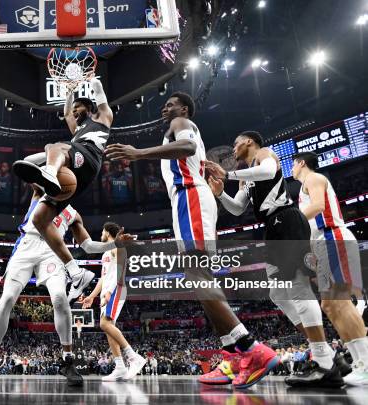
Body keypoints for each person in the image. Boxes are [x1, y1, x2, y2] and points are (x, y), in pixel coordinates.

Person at [105, 92, 278, 389]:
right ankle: (233, 357)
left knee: (196, 274)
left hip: (191, 197)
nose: (165, 107)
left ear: (183, 109)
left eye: (170, 103)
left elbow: (186, 147)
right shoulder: (176, 127)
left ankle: (252, 348)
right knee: (198, 278)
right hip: (187, 200)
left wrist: (139, 153)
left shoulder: (182, 122)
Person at [206, 132, 345, 388]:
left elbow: (269, 172)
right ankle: (328, 354)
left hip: (287, 219)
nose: (233, 148)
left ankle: (325, 365)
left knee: (297, 288)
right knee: (278, 294)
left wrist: (230, 175)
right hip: (272, 226)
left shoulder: (263, 154)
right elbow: (237, 208)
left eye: (236, 143)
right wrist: (220, 193)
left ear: (249, 142)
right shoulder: (247, 174)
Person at [0, 185, 132, 387]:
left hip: (53, 251)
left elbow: (88, 246)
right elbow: (27, 165)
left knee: (60, 298)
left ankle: (67, 360)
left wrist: (115, 244)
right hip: (27, 245)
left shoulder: (73, 214)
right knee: (7, 298)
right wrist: (54, 157)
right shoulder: (41, 192)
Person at [12, 77, 113, 301]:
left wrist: (92, 78)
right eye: (74, 110)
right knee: (39, 220)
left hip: (88, 157)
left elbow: (100, 95)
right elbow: (66, 114)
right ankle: (77, 273)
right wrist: (69, 91)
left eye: (79, 109)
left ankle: (49, 172)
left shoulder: (103, 118)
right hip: (77, 177)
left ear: (89, 108)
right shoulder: (76, 128)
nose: (74, 113)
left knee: (54, 146)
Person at [292, 151, 368, 385]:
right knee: (330, 305)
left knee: (339, 301)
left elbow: (318, 206)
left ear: (301, 163)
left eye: (293, 164)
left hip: (333, 237)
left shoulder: (313, 178)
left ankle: (366, 364)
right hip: (322, 245)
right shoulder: (305, 185)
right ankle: (359, 363)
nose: (292, 169)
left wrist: (292, 224)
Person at [80, 222, 146, 381]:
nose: (100, 234)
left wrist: (110, 291)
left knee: (104, 324)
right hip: (107, 291)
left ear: (107, 232)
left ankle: (133, 357)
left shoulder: (117, 247)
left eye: (102, 231)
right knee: (108, 327)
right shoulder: (105, 252)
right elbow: (103, 277)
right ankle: (120, 367)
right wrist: (92, 296)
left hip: (116, 288)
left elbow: (121, 267)